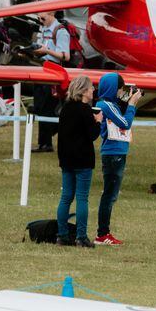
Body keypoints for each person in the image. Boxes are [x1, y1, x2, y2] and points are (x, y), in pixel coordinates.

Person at [55, 75, 102, 248]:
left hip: (67, 159)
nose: (93, 90)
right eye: (90, 88)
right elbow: (93, 135)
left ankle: (62, 235)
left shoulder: (66, 108)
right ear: (83, 91)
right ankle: (81, 237)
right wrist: (98, 122)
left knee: (66, 197)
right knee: (82, 198)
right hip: (83, 160)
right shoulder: (85, 110)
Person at [95, 73, 140, 246]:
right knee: (109, 195)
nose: (121, 92)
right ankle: (102, 233)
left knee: (110, 194)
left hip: (113, 153)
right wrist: (132, 104)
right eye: (120, 89)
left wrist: (127, 101)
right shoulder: (106, 105)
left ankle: (103, 232)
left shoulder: (107, 105)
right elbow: (125, 123)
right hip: (114, 153)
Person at [32, 11, 71, 152]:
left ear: (51, 14)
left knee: (48, 108)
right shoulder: (43, 29)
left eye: (42, 17)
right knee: (40, 108)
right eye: (38, 17)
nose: (40, 20)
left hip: (53, 72)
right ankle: (44, 142)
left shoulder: (60, 31)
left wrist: (47, 51)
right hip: (42, 69)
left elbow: (65, 56)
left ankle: (47, 141)